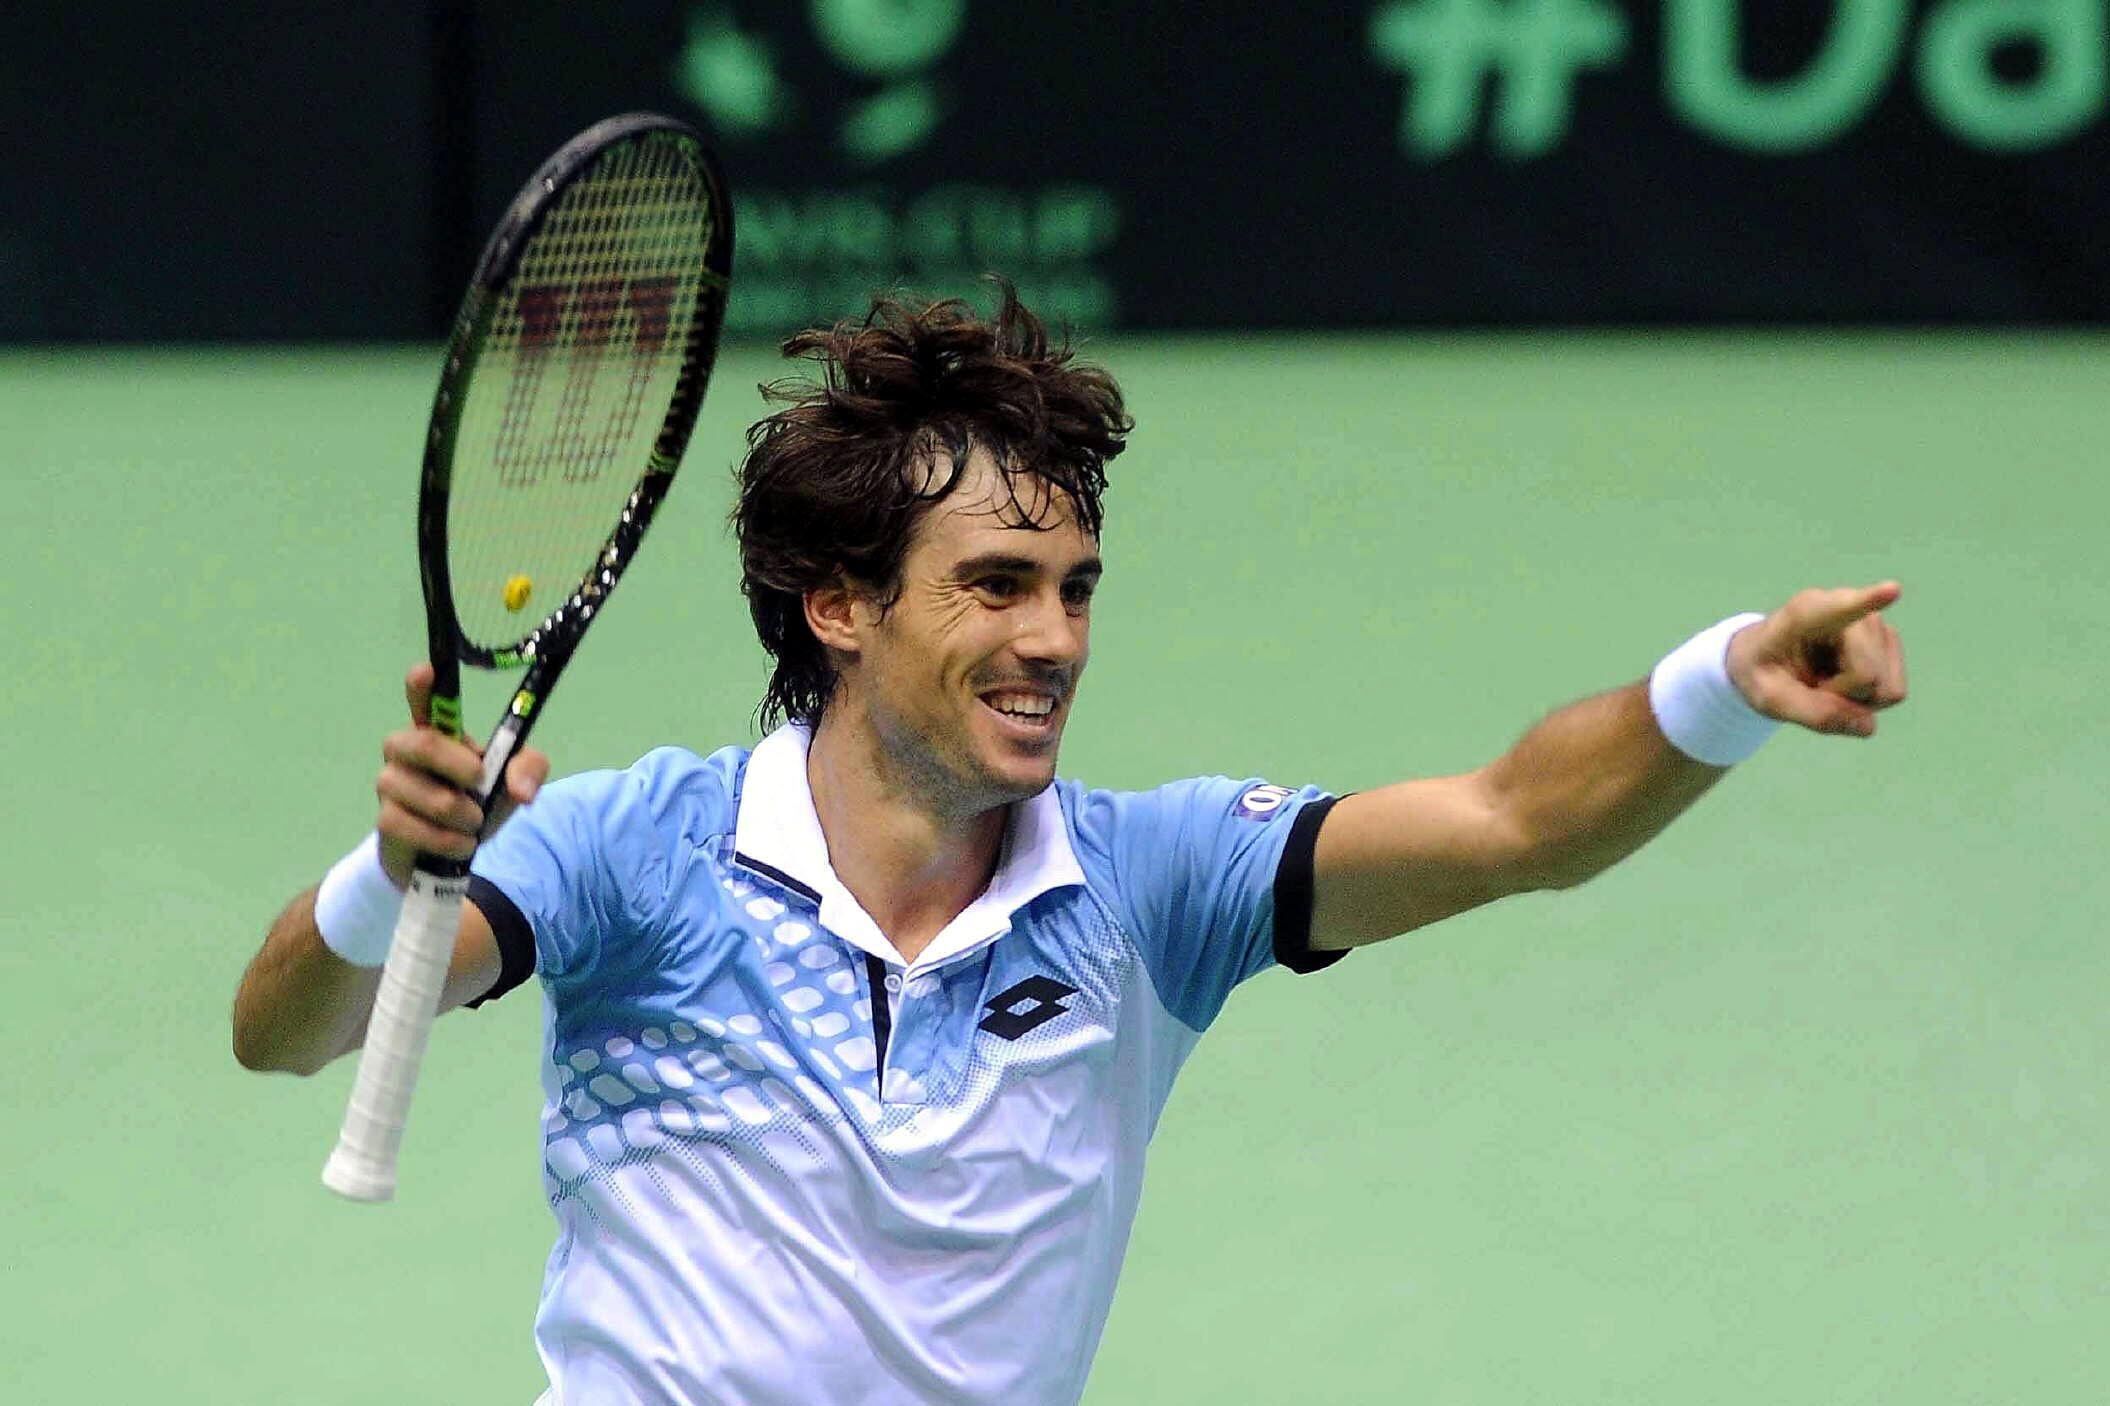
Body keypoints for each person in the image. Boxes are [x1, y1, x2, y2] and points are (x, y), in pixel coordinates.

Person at [233, 285, 1908, 1405]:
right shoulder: (630, 850)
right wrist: (392, 871)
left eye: (1074, 589)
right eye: (994, 585)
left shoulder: (1152, 886)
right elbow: (289, 1030)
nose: (1053, 639)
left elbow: (1516, 821)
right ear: (839, 605)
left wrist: (1728, 678)